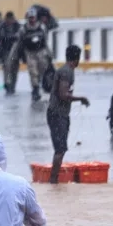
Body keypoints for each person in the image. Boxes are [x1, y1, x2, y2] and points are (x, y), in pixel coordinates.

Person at [47, 45, 90, 184]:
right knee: (60, 149)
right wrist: (81, 99)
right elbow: (63, 95)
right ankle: (53, 181)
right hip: (58, 114)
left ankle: (54, 181)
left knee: (61, 149)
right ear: (77, 59)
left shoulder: (66, 70)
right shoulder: (67, 72)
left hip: (58, 114)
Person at [7, 8, 52, 101]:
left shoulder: (41, 27)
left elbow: (46, 41)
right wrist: (15, 56)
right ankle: (35, 89)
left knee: (42, 70)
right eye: (30, 18)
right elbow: (18, 43)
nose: (32, 20)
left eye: (33, 18)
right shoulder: (24, 29)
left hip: (41, 52)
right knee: (33, 72)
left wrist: (49, 54)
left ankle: (41, 85)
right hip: (30, 53)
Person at [0, 11, 21, 93]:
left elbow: (21, 35)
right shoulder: (2, 26)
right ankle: (7, 84)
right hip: (6, 50)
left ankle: (13, 85)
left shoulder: (17, 25)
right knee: (7, 68)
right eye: (9, 19)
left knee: (15, 69)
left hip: (15, 50)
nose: (10, 21)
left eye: (11, 19)